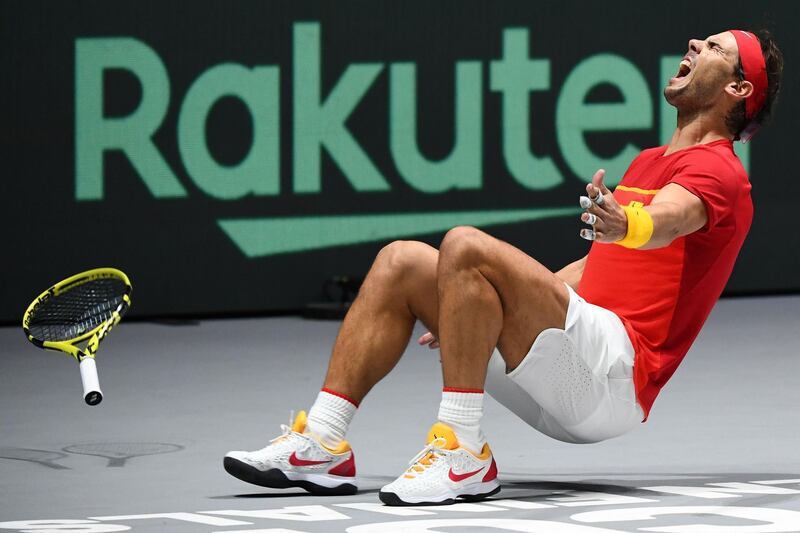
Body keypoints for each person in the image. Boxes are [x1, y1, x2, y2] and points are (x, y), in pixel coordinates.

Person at [224, 29, 783, 505]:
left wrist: (629, 225)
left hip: (614, 376)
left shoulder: (722, 172)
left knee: (464, 244)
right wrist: (469, 301)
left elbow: (671, 217)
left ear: (738, 88)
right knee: (401, 261)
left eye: (713, 47)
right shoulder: (647, 161)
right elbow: (596, 271)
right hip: (570, 360)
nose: (693, 43)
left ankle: (462, 451)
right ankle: (322, 442)